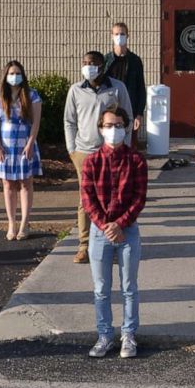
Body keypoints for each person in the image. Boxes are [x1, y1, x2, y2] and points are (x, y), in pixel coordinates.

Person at [80, 107, 148, 358]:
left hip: (127, 230)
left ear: (126, 127)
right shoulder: (91, 162)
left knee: (129, 286)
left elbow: (139, 198)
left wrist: (120, 224)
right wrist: (106, 226)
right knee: (101, 288)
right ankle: (105, 335)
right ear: (100, 128)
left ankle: (128, 334)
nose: (114, 130)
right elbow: (88, 200)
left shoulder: (136, 160)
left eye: (118, 125)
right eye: (109, 125)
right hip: (100, 233)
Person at [64, 51, 133, 264]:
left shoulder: (117, 87)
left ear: (102, 66)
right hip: (84, 152)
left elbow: (128, 118)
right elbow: (70, 121)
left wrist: (125, 147)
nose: (88, 67)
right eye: (85, 63)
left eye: (92, 63)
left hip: (112, 152)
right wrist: (72, 149)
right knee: (86, 201)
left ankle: (113, 243)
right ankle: (84, 245)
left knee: (113, 198)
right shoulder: (76, 90)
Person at [0, 60, 43, 241]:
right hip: (4, 144)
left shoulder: (32, 95)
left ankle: (25, 223)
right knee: (8, 184)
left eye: (18, 73)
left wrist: (30, 144)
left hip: (25, 144)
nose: (15, 77)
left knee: (26, 183)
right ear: (5, 75)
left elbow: (36, 121)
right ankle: (11, 222)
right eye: (11, 73)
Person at [104, 22, 147, 145]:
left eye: (122, 34)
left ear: (128, 36)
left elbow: (140, 88)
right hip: (110, 110)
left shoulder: (135, 61)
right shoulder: (106, 60)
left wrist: (138, 114)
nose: (119, 37)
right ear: (111, 36)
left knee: (129, 146)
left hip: (129, 109)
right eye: (116, 34)